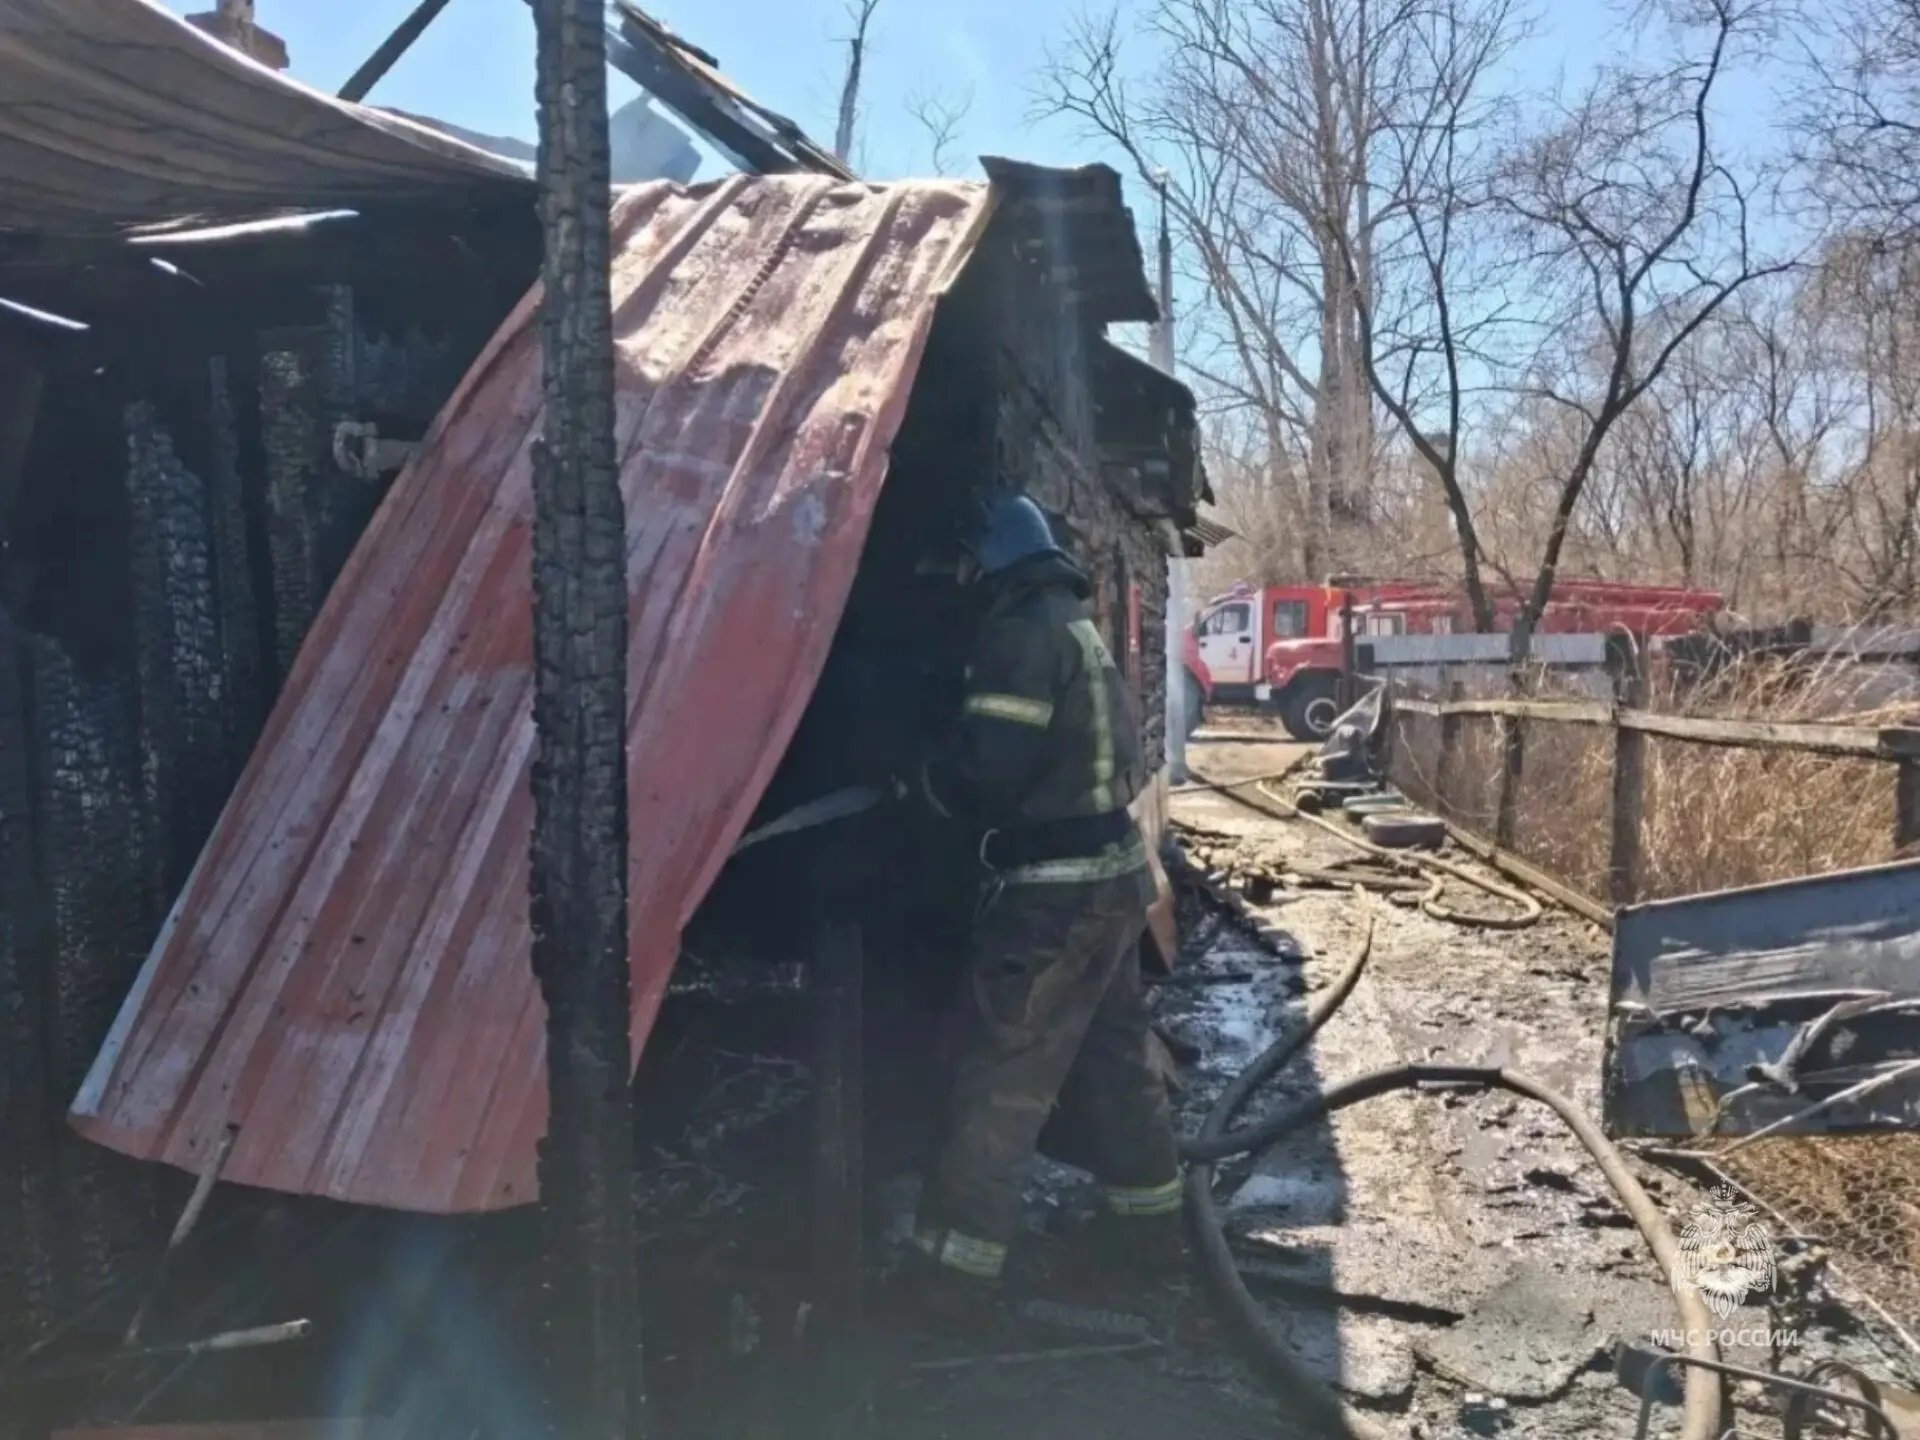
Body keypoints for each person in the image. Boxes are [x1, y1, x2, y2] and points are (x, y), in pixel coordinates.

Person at [906, 490, 1182, 1318]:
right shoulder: (1072, 623)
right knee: (1117, 1064)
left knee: (1001, 1075)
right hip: (1113, 883)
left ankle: (954, 1276)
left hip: (1056, 899)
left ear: (990, 562)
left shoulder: (1020, 637)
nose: (957, 581)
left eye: (963, 565)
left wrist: (915, 784)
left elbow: (989, 767)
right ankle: (1149, 1232)